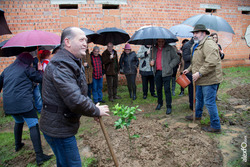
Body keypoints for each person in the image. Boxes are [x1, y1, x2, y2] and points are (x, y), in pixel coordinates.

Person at [39, 27, 110, 167]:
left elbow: (79, 93)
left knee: (64, 163)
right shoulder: (61, 65)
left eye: (86, 40)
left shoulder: (71, 61)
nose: (86, 43)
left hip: (61, 124)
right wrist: (96, 111)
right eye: (81, 40)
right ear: (67, 42)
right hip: (58, 128)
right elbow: (75, 100)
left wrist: (91, 108)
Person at [0, 52, 52, 165]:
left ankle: (18, 145)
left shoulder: (7, 70)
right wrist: (39, 69)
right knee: (33, 124)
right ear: (27, 61)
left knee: (18, 121)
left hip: (9, 104)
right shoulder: (26, 68)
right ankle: (40, 156)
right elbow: (41, 79)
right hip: (23, 103)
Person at [183, 24, 223, 133]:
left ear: (204, 33)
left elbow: (211, 63)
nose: (194, 35)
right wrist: (189, 69)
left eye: (196, 32)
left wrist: (199, 73)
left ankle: (216, 125)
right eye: (193, 33)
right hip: (200, 78)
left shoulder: (209, 44)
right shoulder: (198, 44)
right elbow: (196, 61)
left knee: (209, 102)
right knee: (199, 98)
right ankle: (198, 115)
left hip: (209, 79)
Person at [150, 39, 179, 114]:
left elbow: (176, 58)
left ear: (165, 41)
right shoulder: (153, 49)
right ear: (157, 41)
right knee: (158, 89)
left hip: (167, 72)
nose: (161, 43)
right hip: (157, 72)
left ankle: (168, 106)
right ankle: (160, 103)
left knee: (167, 89)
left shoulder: (169, 48)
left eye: (162, 42)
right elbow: (151, 59)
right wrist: (151, 62)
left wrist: (170, 66)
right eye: (159, 42)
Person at [210, 33, 225, 101]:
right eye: (213, 37)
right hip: (211, 66)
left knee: (217, 81)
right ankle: (211, 96)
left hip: (217, 67)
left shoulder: (218, 46)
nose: (214, 39)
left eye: (216, 37)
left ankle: (215, 95)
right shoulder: (209, 46)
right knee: (211, 82)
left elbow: (221, 58)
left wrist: (222, 53)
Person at [182, 37, 194, 110]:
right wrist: (195, 56)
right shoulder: (187, 45)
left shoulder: (199, 44)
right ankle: (192, 104)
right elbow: (186, 58)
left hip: (198, 71)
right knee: (191, 89)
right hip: (189, 71)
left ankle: (197, 103)